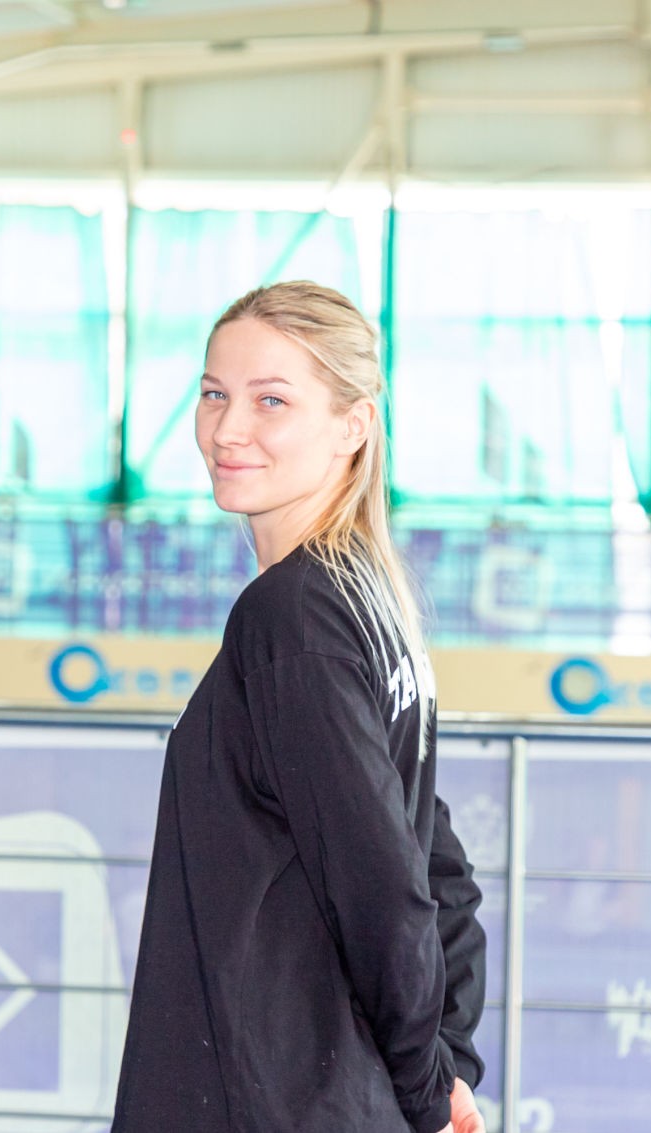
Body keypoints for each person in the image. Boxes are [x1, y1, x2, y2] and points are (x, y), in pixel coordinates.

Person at [114, 283, 487, 1133]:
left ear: (353, 425)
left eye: (271, 400)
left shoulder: (294, 617)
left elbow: (389, 887)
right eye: (214, 393)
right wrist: (444, 1069)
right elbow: (438, 872)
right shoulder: (366, 604)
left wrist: (429, 1090)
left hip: (272, 1102)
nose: (226, 429)